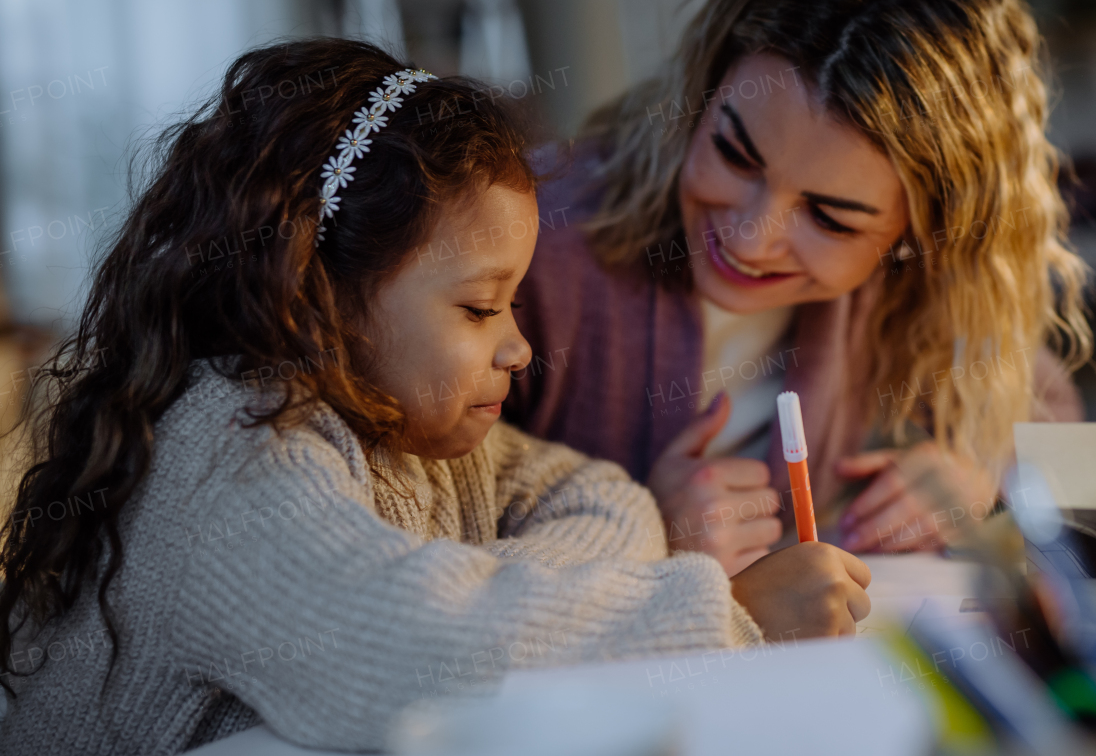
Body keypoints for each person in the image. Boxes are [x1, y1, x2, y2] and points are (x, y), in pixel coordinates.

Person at [0, 40, 872, 754]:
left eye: (515, 303)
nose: (520, 345)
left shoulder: (412, 428)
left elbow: (608, 500)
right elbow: (413, 648)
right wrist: (727, 616)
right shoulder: (233, 456)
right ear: (322, 295)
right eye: (479, 306)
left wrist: (478, 590)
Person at [504, 0, 1091, 576]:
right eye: (733, 152)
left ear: (922, 238)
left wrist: (981, 468)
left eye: (830, 217)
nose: (751, 237)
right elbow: (424, 542)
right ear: (704, 92)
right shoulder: (529, 250)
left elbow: (1042, 400)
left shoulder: (911, 287)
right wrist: (639, 536)